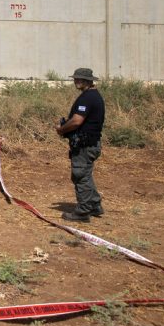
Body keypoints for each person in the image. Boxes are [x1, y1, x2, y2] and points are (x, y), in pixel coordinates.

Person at [55, 68, 105, 222]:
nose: (76, 81)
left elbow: (77, 121)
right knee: (85, 175)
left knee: (80, 176)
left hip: (85, 146)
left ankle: (83, 212)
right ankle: (94, 205)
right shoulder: (92, 96)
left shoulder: (87, 98)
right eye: (76, 78)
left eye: (80, 79)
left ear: (89, 81)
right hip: (89, 144)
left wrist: (61, 129)